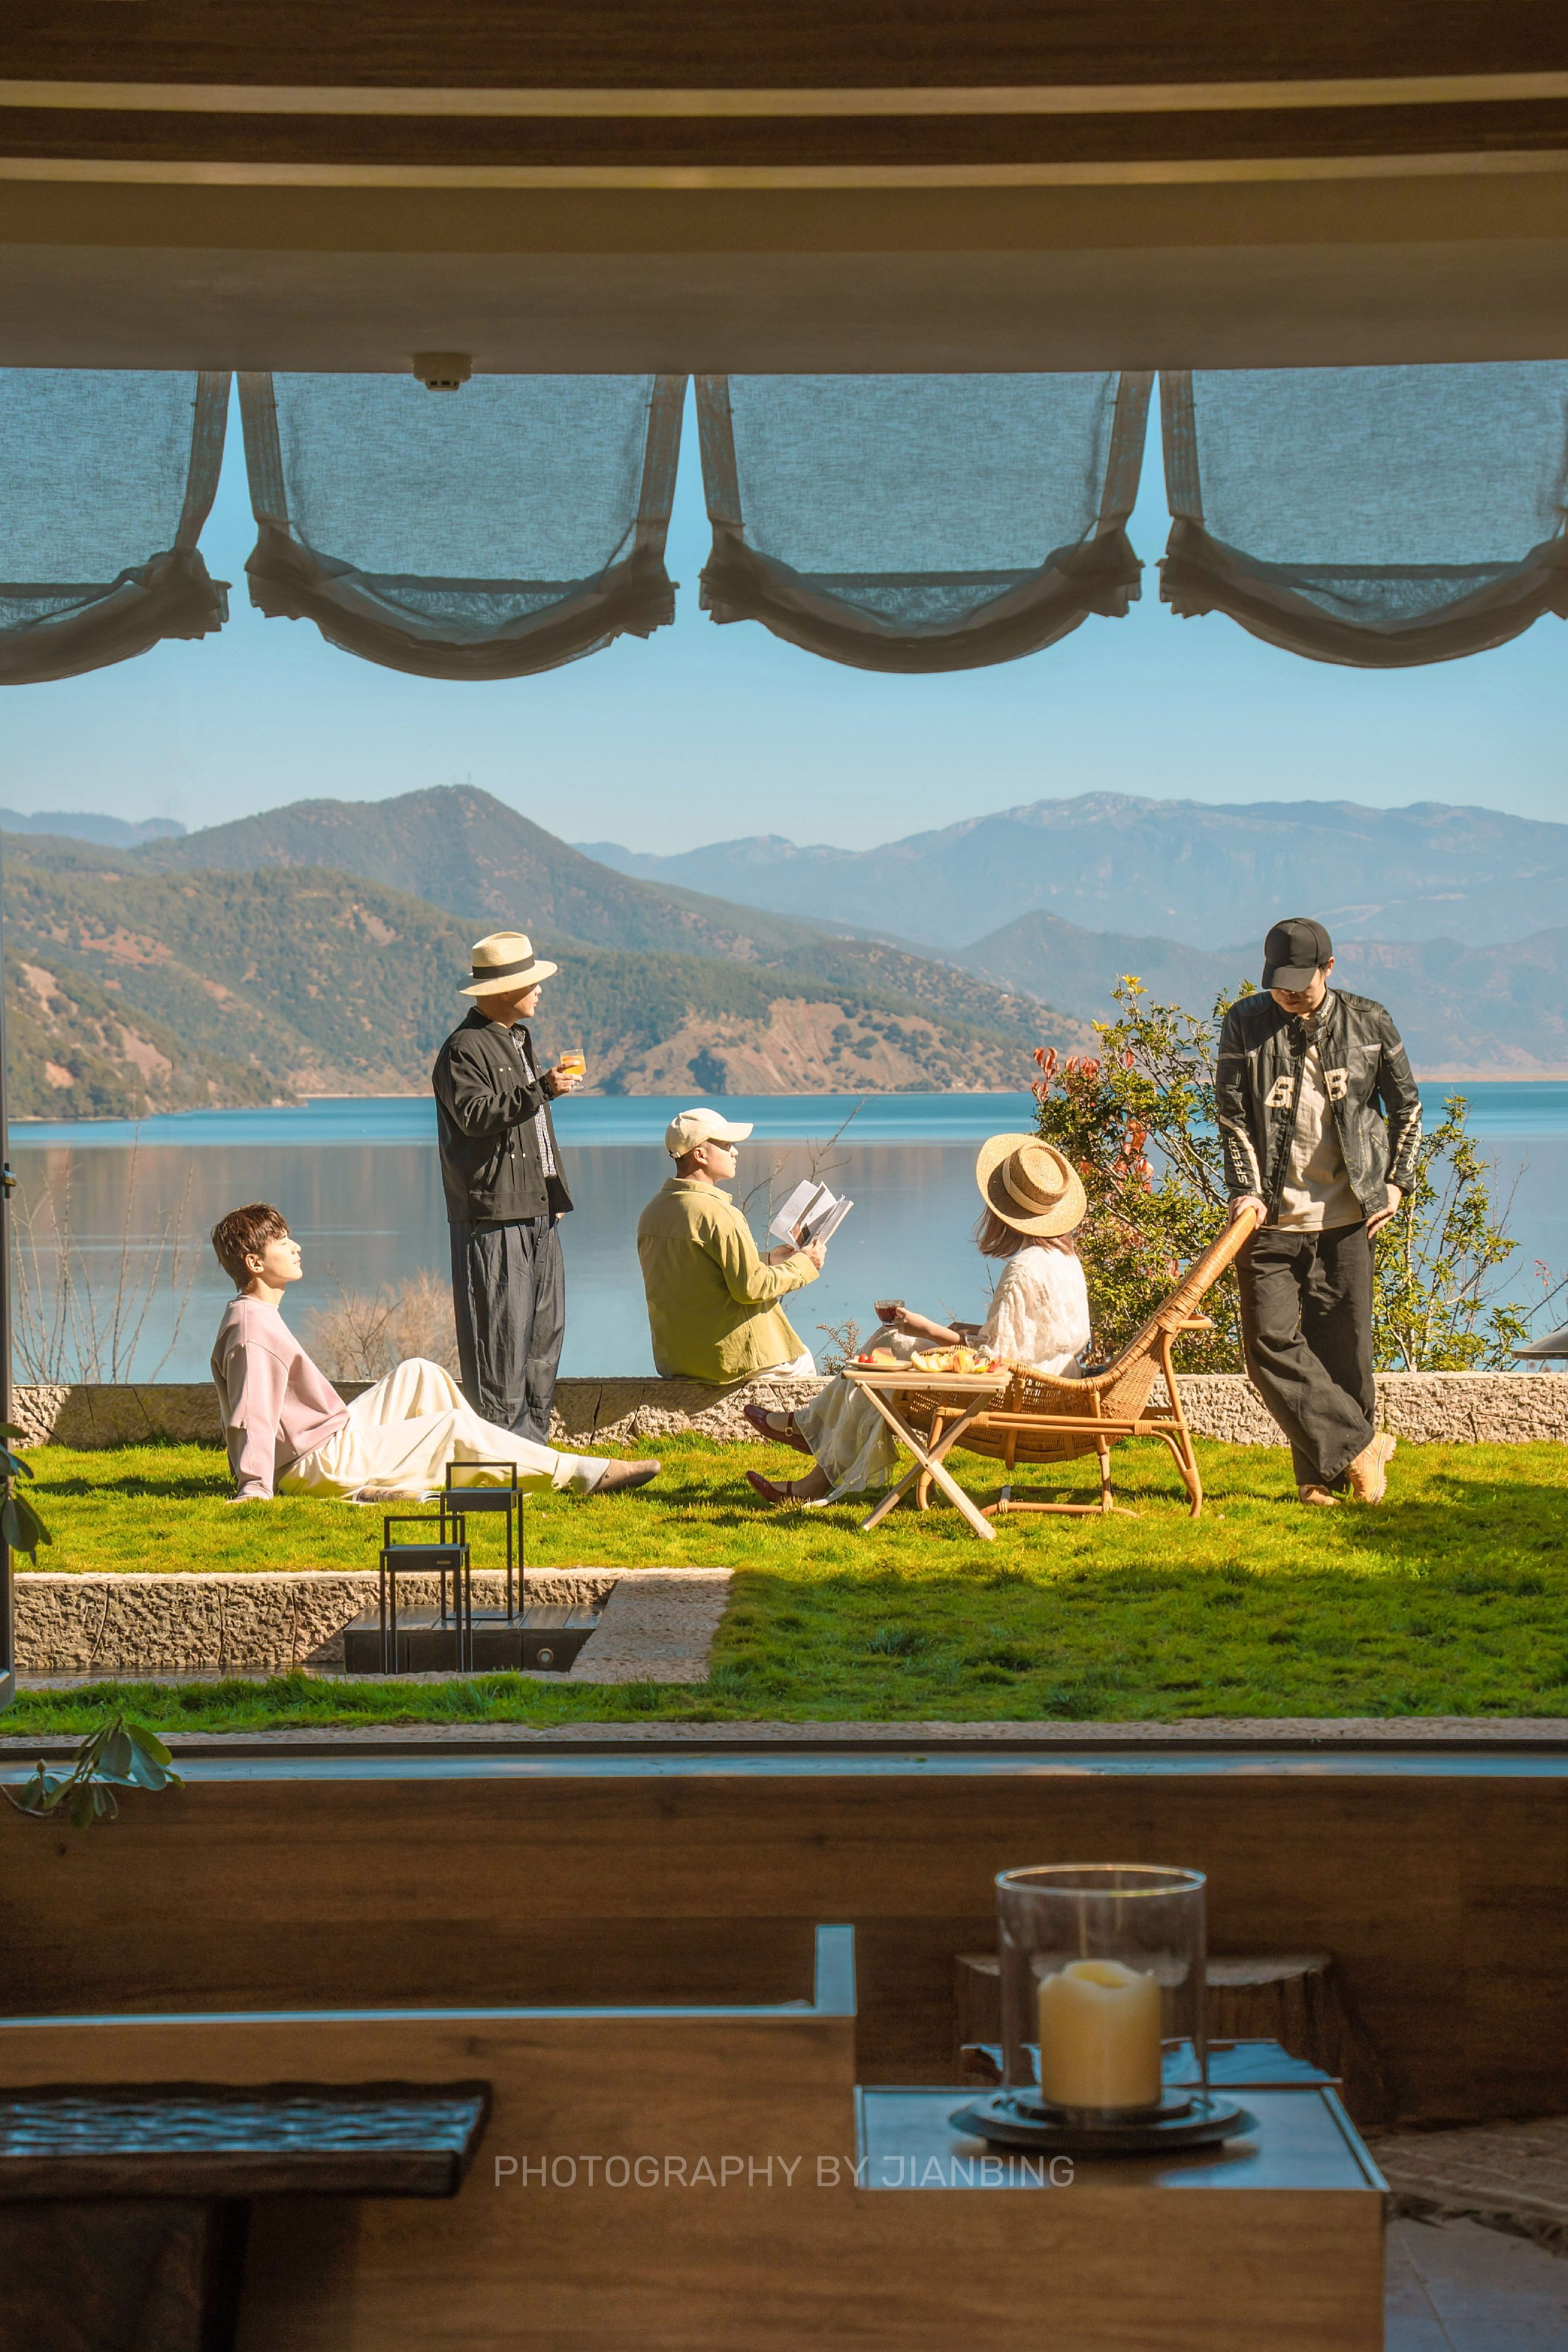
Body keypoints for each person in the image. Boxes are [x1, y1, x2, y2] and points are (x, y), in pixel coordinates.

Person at [208, 1202, 659, 1502]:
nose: (296, 1247)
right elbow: (252, 1415)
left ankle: (481, 1469)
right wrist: (255, 1487)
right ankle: (578, 1473)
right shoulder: (252, 1330)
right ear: (255, 1263)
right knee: (451, 1427)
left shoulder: (255, 1316)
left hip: (328, 1439)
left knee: (419, 1374)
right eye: (283, 1243)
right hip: (314, 1463)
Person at [744, 1136, 1090, 1505]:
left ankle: (808, 1431)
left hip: (1013, 1400)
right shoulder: (1065, 1262)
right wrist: (961, 1332)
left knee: (890, 1346)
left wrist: (931, 1331)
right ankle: (809, 1445)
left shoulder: (1023, 1271)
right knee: (890, 1346)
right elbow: (1030, 1340)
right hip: (1050, 1389)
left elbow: (993, 1363)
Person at [1216, 915, 1421, 1509]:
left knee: (1345, 1355)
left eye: (1299, 984)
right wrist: (1245, 1188)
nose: (1287, 994)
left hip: (1349, 1215)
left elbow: (1406, 1107)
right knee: (1268, 1346)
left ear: (1328, 968)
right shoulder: (1244, 1021)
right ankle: (1363, 1447)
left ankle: (1318, 1482)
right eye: (1277, 984)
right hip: (1267, 1218)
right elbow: (1230, 1112)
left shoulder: (1370, 1020)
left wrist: (1396, 1183)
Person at [432, 931, 583, 1447]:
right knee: (499, 1343)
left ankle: (533, 1453)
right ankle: (499, 1457)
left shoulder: (516, 1041)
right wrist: (542, 1088)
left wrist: (553, 1193)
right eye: (532, 982)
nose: (540, 990)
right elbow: (475, 1117)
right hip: (493, 1217)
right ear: (503, 991)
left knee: (542, 1339)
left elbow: (532, 1131)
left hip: (538, 1212)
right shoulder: (463, 1049)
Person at [636, 1108, 826, 1383]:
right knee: (803, 1361)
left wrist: (769, 1259)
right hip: (727, 1361)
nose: (735, 1152)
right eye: (726, 1146)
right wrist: (804, 1265)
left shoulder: (652, 1212)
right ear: (700, 1155)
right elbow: (751, 1288)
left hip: (676, 1360)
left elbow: (700, 1268)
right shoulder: (720, 1214)